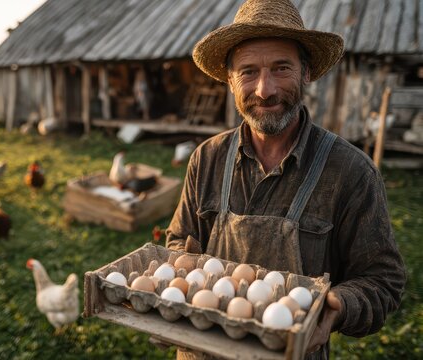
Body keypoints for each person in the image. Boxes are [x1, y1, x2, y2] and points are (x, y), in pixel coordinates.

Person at [165, 0, 406, 359]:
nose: (265, 90)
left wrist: (336, 306)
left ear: (306, 73)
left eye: (281, 68)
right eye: (248, 72)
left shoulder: (350, 172)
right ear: (230, 81)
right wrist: (182, 273)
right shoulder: (207, 158)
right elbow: (178, 241)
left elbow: (383, 281)